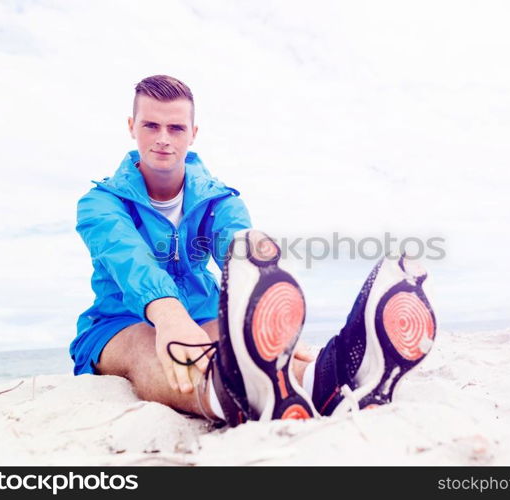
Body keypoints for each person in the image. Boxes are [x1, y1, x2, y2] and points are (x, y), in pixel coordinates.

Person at [71, 75, 436, 427]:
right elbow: (128, 258)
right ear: (132, 126)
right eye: (151, 126)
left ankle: (328, 379)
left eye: (176, 128)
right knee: (149, 343)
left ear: (193, 134)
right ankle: (230, 398)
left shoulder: (219, 199)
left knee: (244, 346)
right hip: (117, 323)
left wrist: (267, 316)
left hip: (202, 311)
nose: (163, 138)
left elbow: (239, 250)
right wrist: (168, 315)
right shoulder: (99, 203)